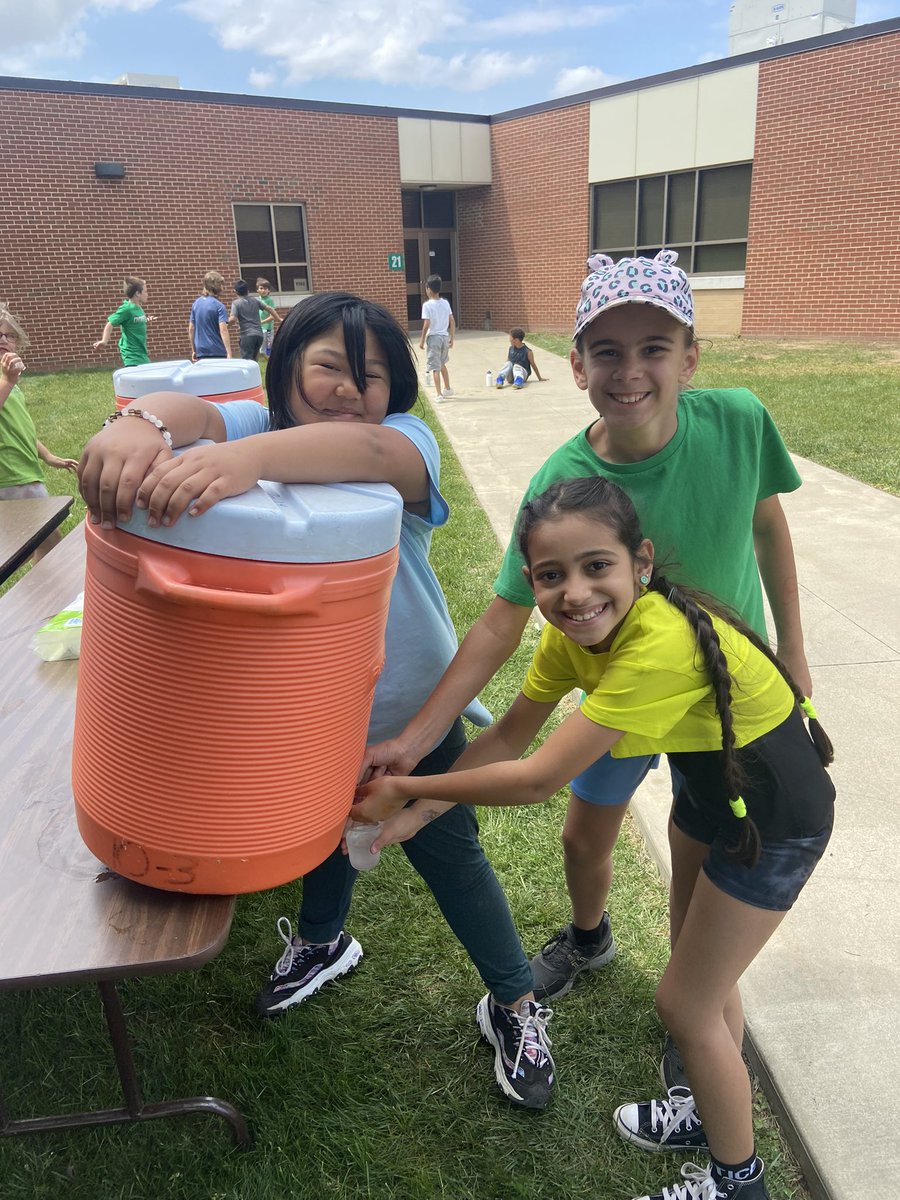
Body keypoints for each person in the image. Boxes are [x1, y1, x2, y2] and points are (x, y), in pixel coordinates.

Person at [77, 291, 555, 1112]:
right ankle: (324, 941)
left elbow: (364, 448)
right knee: (318, 832)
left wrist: (244, 462)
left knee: (451, 857)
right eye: (330, 365)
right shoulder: (263, 422)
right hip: (302, 718)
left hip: (408, 714)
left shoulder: (402, 440)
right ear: (287, 367)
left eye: (372, 375)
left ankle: (514, 1001)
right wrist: (144, 426)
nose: (348, 387)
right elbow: (195, 409)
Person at [363, 250, 812, 1029]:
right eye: (607, 351)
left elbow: (769, 526)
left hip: (717, 695)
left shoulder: (740, 420)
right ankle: (588, 937)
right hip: (621, 694)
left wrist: (794, 649)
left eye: (653, 348)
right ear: (575, 365)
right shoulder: (561, 484)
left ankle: (696, 1029)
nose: (629, 371)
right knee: (581, 838)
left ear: (690, 358)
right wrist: (415, 740)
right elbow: (503, 620)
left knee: (699, 858)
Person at [354, 474, 835, 1200]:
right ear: (531, 581)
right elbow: (511, 737)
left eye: (595, 567)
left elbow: (538, 777)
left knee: (686, 1004)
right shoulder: (570, 640)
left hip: (776, 819)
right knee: (701, 977)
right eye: (551, 576)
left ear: (640, 560)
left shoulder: (658, 643)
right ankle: (712, 1114)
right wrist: (415, 810)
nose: (574, 593)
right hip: (713, 795)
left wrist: (414, 788)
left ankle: (739, 1185)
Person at [1, 306, 77, 562]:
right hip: (11, 476)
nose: (4, 339)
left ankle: (41, 590)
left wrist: (47, 456)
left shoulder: (9, 383)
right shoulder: (6, 382)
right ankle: (47, 592)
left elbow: (20, 428)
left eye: (9, 335)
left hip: (25, 472)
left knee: (43, 540)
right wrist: (8, 382)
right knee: (44, 539)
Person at [93, 276, 154, 366]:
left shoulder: (138, 308)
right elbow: (110, 323)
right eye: (145, 291)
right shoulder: (126, 309)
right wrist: (104, 341)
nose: (147, 294)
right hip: (132, 355)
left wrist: (146, 321)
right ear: (138, 293)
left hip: (141, 352)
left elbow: (134, 322)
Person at [419, 274, 454, 402]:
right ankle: (448, 388)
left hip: (433, 338)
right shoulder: (445, 303)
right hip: (445, 337)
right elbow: (452, 320)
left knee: (435, 367)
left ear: (428, 288)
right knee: (442, 363)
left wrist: (422, 340)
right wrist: (452, 337)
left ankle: (439, 394)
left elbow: (426, 324)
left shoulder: (427, 305)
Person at [228, 279, 279, 360]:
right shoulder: (255, 300)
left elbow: (233, 319)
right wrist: (278, 319)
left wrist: (226, 327)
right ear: (248, 291)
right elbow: (269, 309)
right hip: (259, 335)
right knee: (255, 361)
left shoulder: (236, 303)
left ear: (235, 291)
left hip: (247, 335)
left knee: (247, 361)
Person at [189, 271, 231, 361]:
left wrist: (194, 350)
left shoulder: (195, 304)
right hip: (217, 351)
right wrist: (229, 353)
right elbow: (223, 330)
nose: (223, 288)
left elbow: (191, 328)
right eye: (221, 285)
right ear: (215, 286)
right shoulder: (219, 306)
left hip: (201, 352)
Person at [256, 277, 277, 357]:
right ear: (257, 290)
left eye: (266, 288)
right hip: (259, 327)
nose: (263, 290)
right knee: (261, 348)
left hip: (268, 328)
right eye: (261, 288)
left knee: (268, 347)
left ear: (269, 290)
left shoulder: (269, 300)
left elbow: (272, 316)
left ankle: (269, 360)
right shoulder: (257, 300)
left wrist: (262, 322)